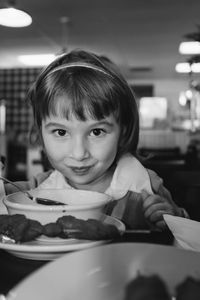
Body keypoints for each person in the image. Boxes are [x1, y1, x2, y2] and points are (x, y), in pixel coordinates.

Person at [3, 49, 189, 230]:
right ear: (40, 133)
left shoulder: (145, 186)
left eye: (97, 132)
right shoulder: (35, 189)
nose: (79, 153)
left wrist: (171, 218)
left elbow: (185, 233)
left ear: (122, 132)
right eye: (60, 132)